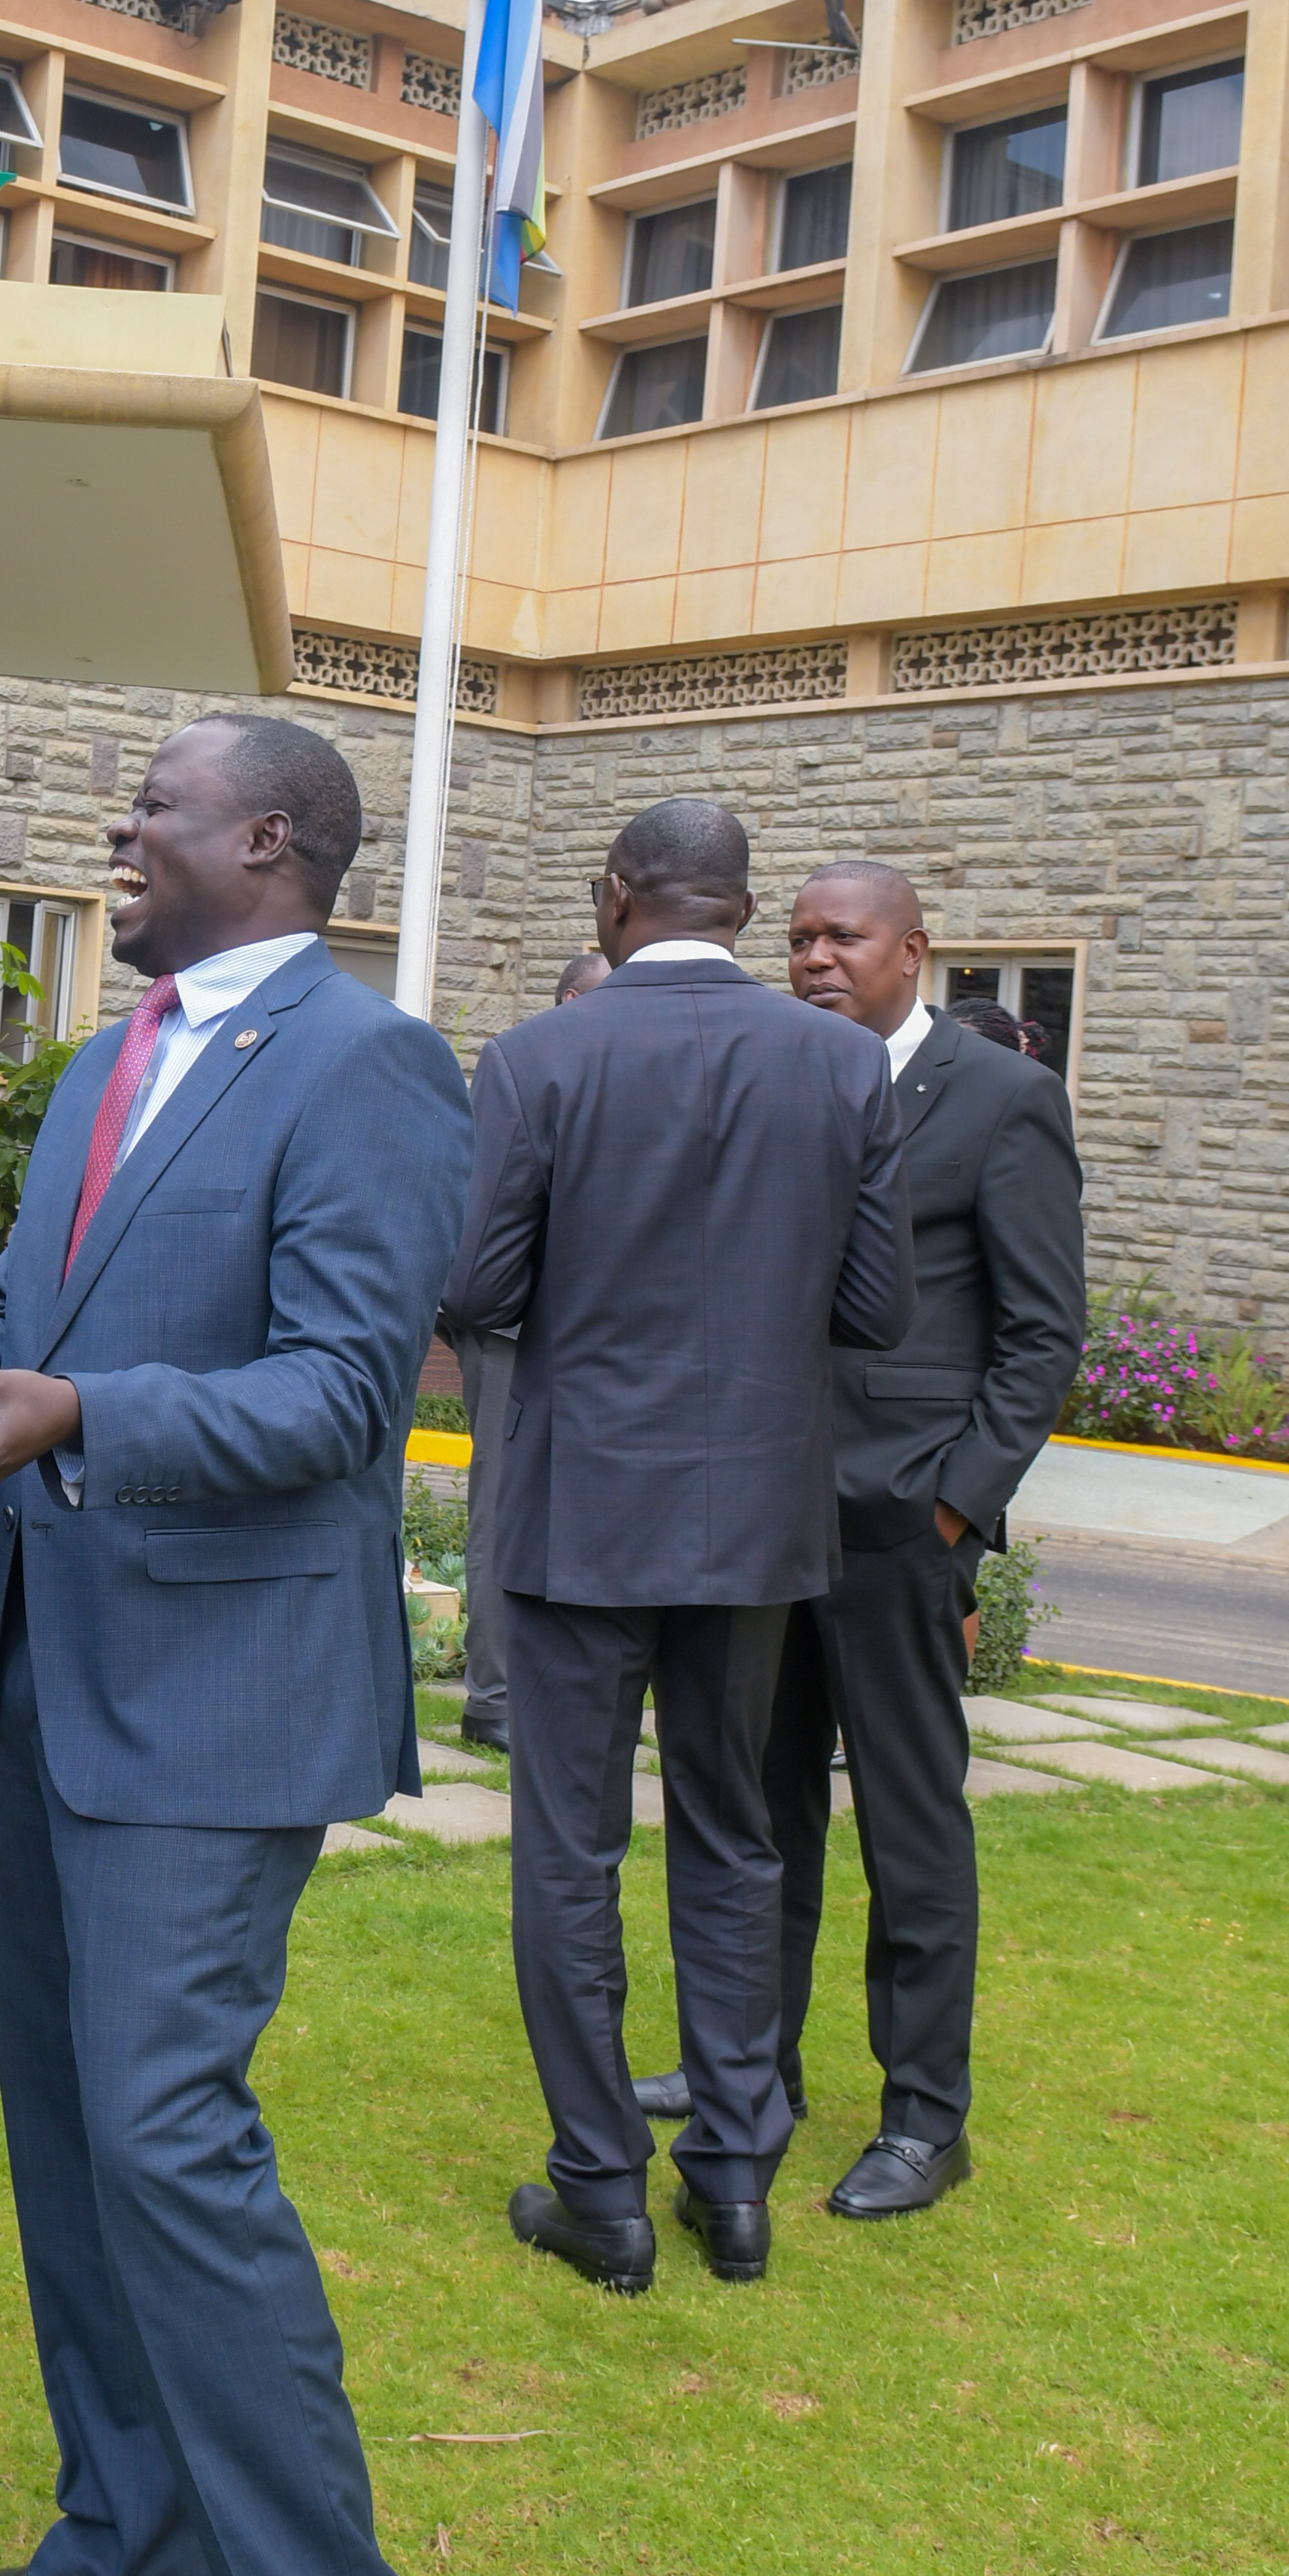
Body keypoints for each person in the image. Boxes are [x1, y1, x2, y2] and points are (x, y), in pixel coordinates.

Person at [0, 716, 472, 2576]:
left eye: (154, 808)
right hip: (53, 1678)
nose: (118, 832)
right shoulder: (110, 1066)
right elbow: (32, 1308)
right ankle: (128, 2535)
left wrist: (75, 1402)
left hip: (220, 1697)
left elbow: (337, 1390)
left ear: (267, 844)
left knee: (173, 2138)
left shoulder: (369, 1066)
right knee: (71, 2136)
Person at [444, 798, 911, 2295]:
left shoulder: (536, 1058)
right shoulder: (839, 1064)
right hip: (756, 1517)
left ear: (615, 897)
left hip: (582, 1509)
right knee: (732, 1839)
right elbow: (875, 1310)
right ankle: (732, 2178)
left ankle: (601, 2188)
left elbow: (475, 1285)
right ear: (739, 902)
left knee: (567, 1855)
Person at [645, 862, 1080, 2220]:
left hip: (901, 1523)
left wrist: (956, 1501)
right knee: (757, 1809)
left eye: (843, 937)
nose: (816, 958)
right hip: (766, 1514)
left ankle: (922, 2118)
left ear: (914, 950)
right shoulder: (777, 1076)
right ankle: (750, 2069)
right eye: (797, 939)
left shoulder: (1000, 1098)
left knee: (906, 1821)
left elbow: (1040, 1329)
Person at [451, 948, 608, 1754]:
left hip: (601, 1339)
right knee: (506, 1511)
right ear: (574, 996)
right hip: (515, 1331)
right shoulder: (521, 1070)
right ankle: (496, 1697)